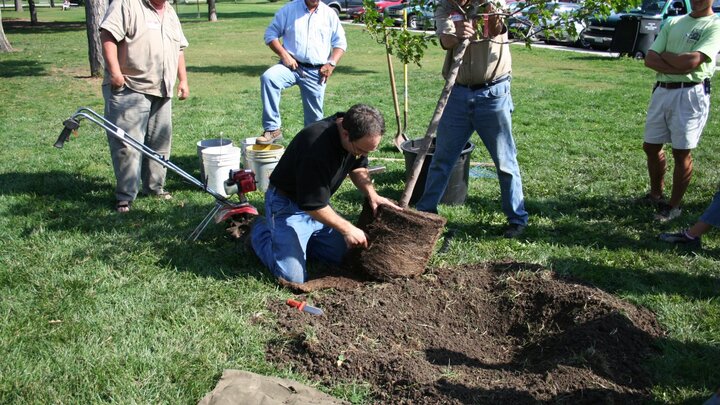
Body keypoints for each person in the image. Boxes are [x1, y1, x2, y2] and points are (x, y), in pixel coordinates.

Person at [415, 0, 528, 239]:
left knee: (505, 162)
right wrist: (457, 33)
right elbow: (445, 41)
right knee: (442, 160)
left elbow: (497, 28)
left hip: (493, 94)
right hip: (457, 93)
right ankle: (425, 212)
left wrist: (488, 9)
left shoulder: (492, 3)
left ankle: (517, 219)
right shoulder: (447, 6)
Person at [249, 104, 399, 283]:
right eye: (361, 150)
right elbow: (311, 205)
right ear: (345, 133)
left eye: (369, 151)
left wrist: (372, 194)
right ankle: (258, 230)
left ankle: (302, 242)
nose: (364, 154)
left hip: (317, 206)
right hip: (287, 205)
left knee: (348, 257)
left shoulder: (356, 133)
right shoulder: (315, 146)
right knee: (292, 278)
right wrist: (347, 228)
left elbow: (358, 166)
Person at [100, 0, 189, 213]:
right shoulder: (126, 4)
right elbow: (107, 35)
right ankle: (125, 196)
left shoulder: (169, 12)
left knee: (160, 142)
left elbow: (179, 49)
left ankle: (154, 188)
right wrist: (115, 73)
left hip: (162, 89)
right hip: (131, 86)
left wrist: (183, 80)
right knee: (127, 145)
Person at [640, 0, 720, 222]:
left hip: (690, 94)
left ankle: (673, 206)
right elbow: (650, 58)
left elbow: (693, 61)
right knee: (651, 146)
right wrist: (678, 64)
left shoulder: (715, 25)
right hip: (662, 90)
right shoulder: (673, 21)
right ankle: (656, 194)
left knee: (681, 151)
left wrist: (667, 58)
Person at [256, 0, 347, 145]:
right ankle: (272, 129)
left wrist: (331, 63)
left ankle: (311, 148)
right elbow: (270, 35)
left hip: (317, 72)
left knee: (315, 122)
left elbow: (340, 43)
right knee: (269, 78)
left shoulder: (329, 14)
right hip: (290, 67)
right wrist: (284, 55)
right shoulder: (289, 10)